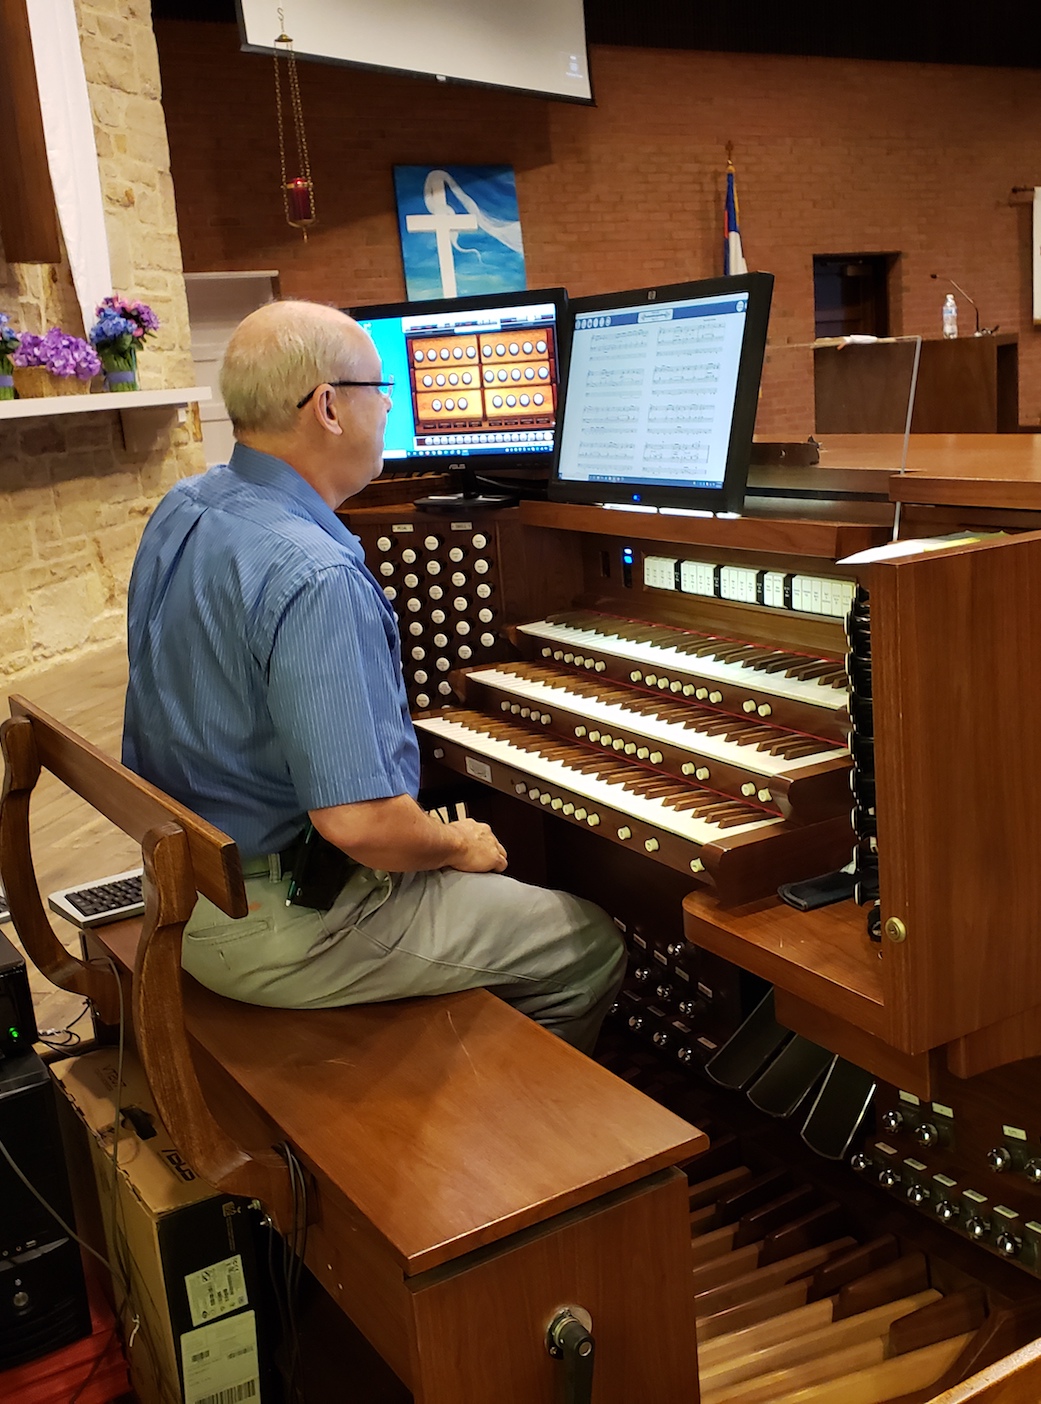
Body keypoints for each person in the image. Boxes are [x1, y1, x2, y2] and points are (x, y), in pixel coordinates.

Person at [122, 299, 625, 1054]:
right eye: (380, 389)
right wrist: (457, 847)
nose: (389, 407)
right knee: (585, 943)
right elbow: (360, 826)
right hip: (280, 925)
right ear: (328, 406)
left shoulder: (187, 504)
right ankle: (507, 1143)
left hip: (183, 890)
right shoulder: (316, 573)